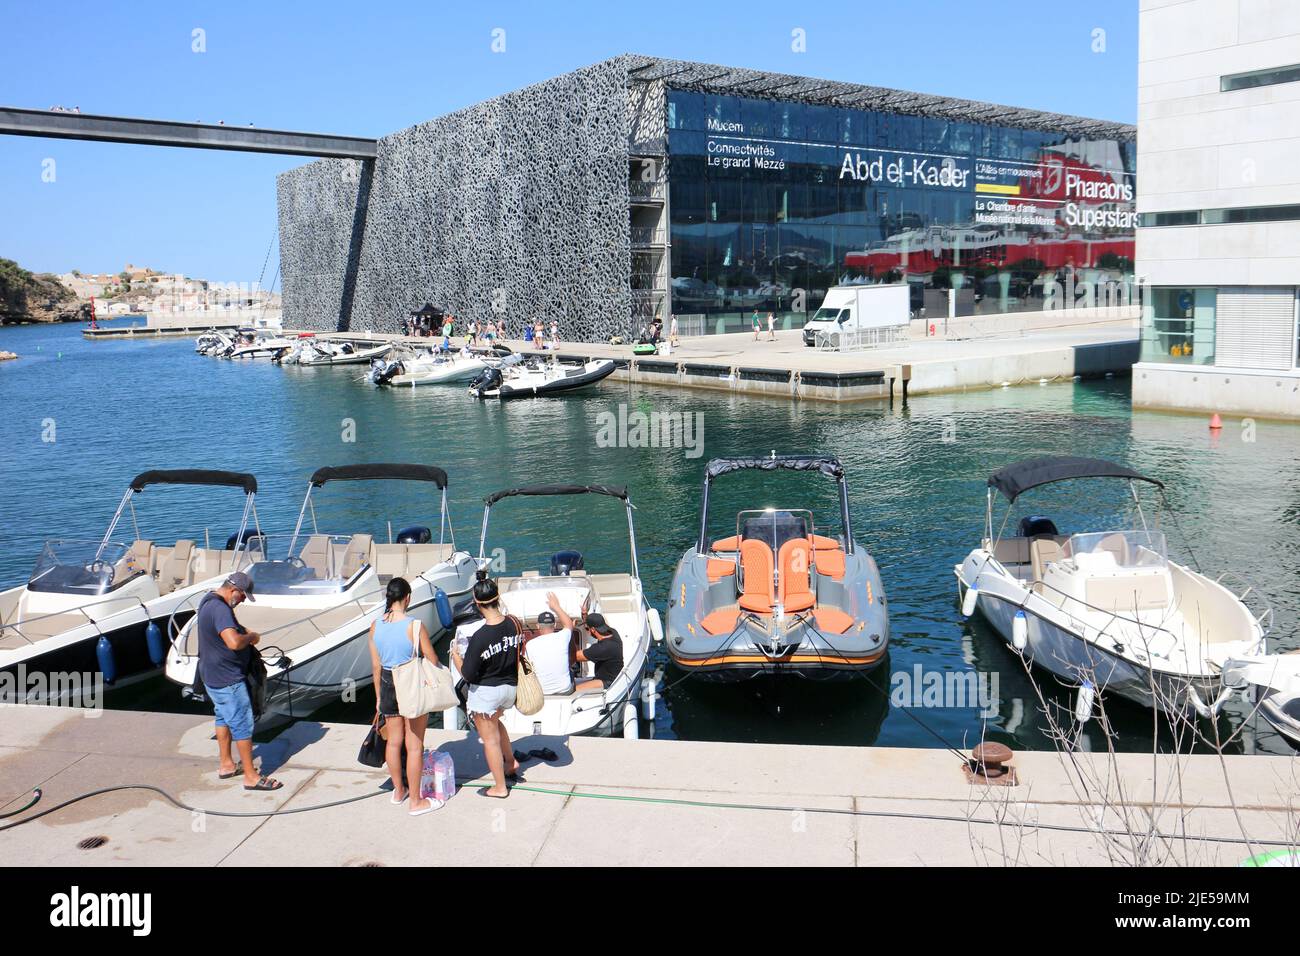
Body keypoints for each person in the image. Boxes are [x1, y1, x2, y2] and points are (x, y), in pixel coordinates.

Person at [197, 571, 281, 791]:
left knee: (223, 717)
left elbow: (226, 631)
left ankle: (226, 764)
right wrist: (251, 638)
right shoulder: (220, 609)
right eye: (243, 596)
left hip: (212, 674)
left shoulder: (208, 601)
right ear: (233, 590)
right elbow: (233, 643)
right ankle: (251, 777)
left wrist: (242, 630)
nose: (243, 600)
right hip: (228, 678)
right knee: (243, 724)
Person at [368, 577, 442, 815]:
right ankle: (416, 802)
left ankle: (399, 791)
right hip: (410, 686)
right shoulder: (415, 625)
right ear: (407, 597)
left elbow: (376, 667)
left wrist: (379, 697)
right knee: (414, 745)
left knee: (394, 741)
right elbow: (432, 660)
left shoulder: (375, 625)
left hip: (388, 684)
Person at [450, 573, 521, 798]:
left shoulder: (480, 637)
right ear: (497, 598)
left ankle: (500, 787)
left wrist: (456, 659)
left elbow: (469, 675)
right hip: (510, 689)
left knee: (489, 740)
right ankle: (510, 763)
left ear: (476, 603)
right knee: (496, 724)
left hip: (487, 694)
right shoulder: (514, 623)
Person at [528, 597, 577, 694]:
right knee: (571, 671)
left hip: (542, 693)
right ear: (554, 625)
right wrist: (555, 606)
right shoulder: (562, 637)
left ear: (538, 626)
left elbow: (528, 670)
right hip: (564, 691)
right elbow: (569, 624)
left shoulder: (530, 645)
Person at [573, 612, 624, 693]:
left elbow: (574, 656)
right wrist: (585, 616)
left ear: (593, 629)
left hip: (607, 682)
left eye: (588, 629)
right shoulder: (614, 633)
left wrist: (570, 631)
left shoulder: (601, 648)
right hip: (616, 677)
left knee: (572, 690)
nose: (588, 632)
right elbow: (593, 630)